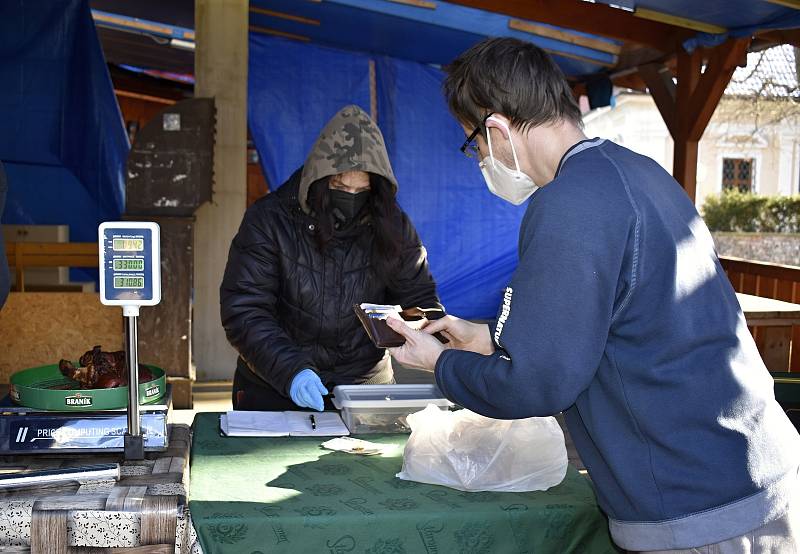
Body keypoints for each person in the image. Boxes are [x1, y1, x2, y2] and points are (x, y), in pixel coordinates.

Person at [387, 38, 800, 553]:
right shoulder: (639, 173)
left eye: (475, 145)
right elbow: (617, 321)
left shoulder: (566, 203)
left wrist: (440, 363)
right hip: (755, 468)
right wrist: (490, 336)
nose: (482, 159)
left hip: (697, 507)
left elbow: (536, 385)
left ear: (494, 128)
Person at [221, 105, 441, 412]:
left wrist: (430, 332)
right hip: (275, 385)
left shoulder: (392, 224)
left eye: (361, 190)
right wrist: (291, 370)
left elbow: (418, 297)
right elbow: (244, 309)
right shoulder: (270, 220)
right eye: (339, 186)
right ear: (318, 178)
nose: (350, 196)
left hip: (363, 387)